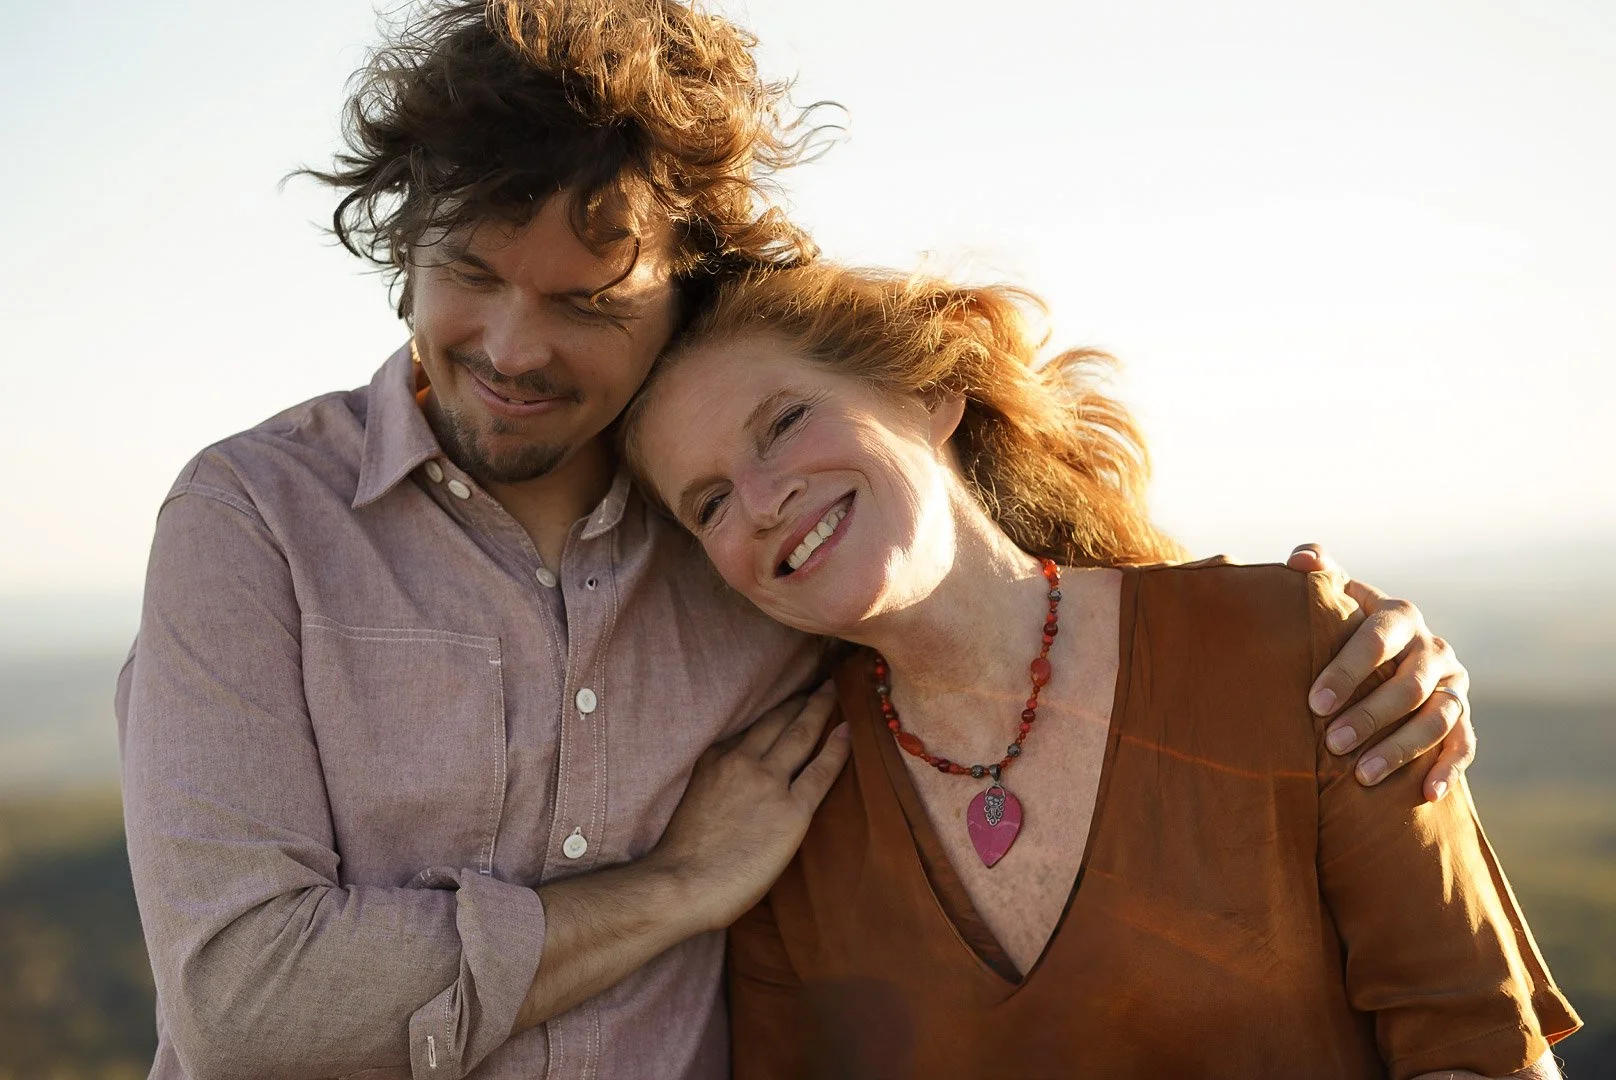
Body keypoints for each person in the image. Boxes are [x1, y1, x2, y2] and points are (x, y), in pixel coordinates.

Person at [117, 2, 1477, 1077]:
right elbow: (246, 1007)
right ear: (407, 248)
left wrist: (1363, 655)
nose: (514, 349)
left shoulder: (760, 565)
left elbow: (1030, 635)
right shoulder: (253, 522)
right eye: (469, 273)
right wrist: (679, 891)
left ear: (680, 294)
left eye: (588, 300)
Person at [621, 262, 1580, 1079]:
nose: (757, 501)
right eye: (706, 504)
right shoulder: (784, 811)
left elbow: (1481, 1048)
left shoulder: (1290, 650)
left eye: (784, 422)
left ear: (928, 395)